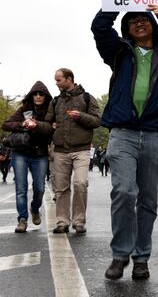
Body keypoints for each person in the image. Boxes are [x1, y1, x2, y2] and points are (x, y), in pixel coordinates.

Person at [91, 4, 158, 280]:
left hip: (153, 134)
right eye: (132, 20)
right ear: (127, 27)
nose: (138, 23)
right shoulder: (119, 51)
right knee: (124, 191)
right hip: (122, 132)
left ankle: (141, 258)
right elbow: (99, 27)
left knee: (147, 200)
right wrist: (115, 0)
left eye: (143, 19)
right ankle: (120, 254)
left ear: (152, 23)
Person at [45, 68, 100, 235]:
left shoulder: (87, 97)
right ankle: (62, 222)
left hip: (81, 149)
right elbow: (48, 122)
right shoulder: (55, 101)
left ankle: (79, 221)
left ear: (69, 79)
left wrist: (81, 116)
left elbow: (98, 120)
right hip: (60, 150)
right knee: (61, 188)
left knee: (81, 183)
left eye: (59, 80)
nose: (56, 83)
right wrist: (51, 126)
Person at [2, 81, 53, 233]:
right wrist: (22, 124)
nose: (38, 97)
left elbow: (51, 129)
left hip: (40, 154)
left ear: (46, 96)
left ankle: (34, 208)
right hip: (21, 153)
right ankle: (22, 220)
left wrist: (38, 125)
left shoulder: (50, 111)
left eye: (41, 94)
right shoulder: (24, 108)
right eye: (35, 94)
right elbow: (6, 124)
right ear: (31, 96)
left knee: (39, 189)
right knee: (21, 188)